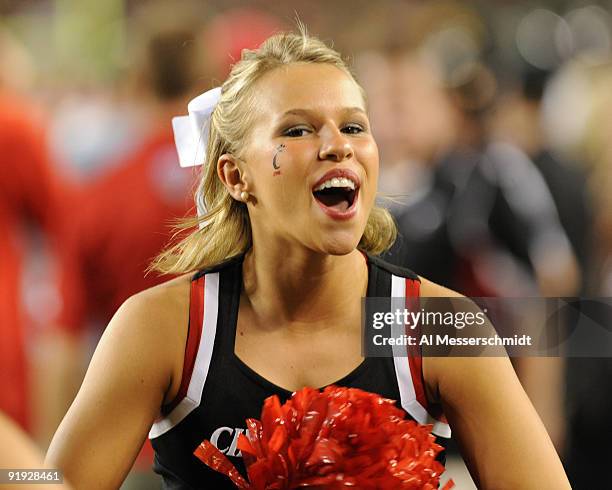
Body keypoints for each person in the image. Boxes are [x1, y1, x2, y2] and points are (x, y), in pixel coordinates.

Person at [46, 30, 570, 489]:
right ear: (235, 176)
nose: (337, 146)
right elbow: (47, 480)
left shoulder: (431, 326)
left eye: (354, 127)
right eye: (297, 130)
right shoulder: (169, 327)